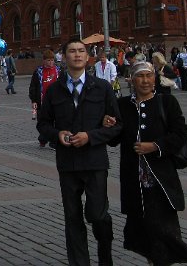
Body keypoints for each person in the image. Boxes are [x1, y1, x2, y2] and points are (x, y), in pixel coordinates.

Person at [104, 61, 187, 266]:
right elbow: (114, 140)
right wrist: (108, 125)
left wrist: (156, 146)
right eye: (140, 76)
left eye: (149, 76)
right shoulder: (123, 105)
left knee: (162, 227)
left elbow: (180, 133)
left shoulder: (166, 102)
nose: (146, 80)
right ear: (131, 79)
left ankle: (182, 255)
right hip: (134, 180)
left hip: (161, 180)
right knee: (143, 231)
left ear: (155, 78)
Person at [37, 37, 122, 266]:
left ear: (87, 57)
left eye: (81, 51)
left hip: (95, 162)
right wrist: (58, 135)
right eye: (72, 51)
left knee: (97, 215)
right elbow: (43, 124)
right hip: (68, 163)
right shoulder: (55, 90)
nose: (77, 55)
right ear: (64, 57)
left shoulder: (102, 87)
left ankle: (105, 255)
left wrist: (91, 136)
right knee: (73, 218)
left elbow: (117, 124)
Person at [28, 49, 60, 146]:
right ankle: (43, 137)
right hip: (42, 101)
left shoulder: (58, 71)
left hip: (55, 101)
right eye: (48, 60)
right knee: (42, 121)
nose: (51, 62)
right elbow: (33, 86)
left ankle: (53, 141)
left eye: (52, 60)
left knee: (56, 122)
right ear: (44, 61)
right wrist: (33, 100)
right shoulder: (38, 72)